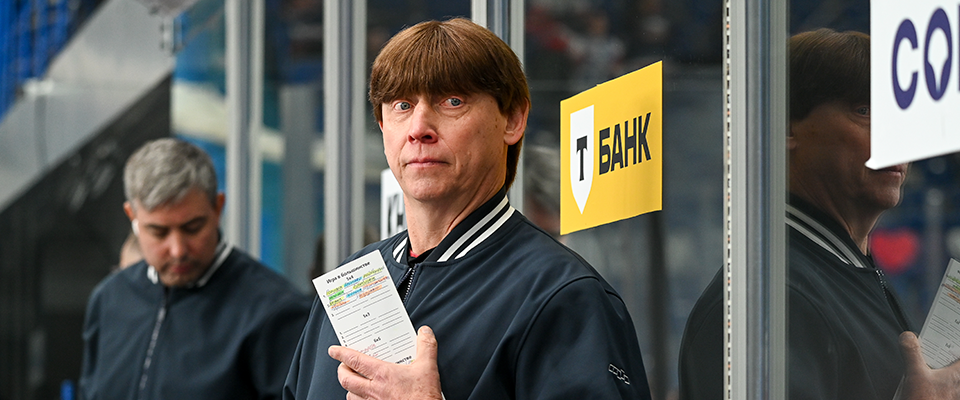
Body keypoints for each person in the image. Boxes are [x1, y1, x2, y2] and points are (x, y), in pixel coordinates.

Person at [283, 18, 652, 400]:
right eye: (402, 105)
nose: (419, 128)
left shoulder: (562, 295)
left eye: (452, 102)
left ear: (513, 120)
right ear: (381, 125)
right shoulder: (351, 281)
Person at [679, 28, 960, 400]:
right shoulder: (769, 301)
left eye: (899, 116)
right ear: (785, 127)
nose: (895, 137)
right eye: (865, 111)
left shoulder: (837, 272)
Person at [79, 138, 313, 400]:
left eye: (192, 228)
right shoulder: (109, 300)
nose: (177, 250)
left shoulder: (275, 311)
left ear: (218, 207)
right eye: (158, 232)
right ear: (132, 217)